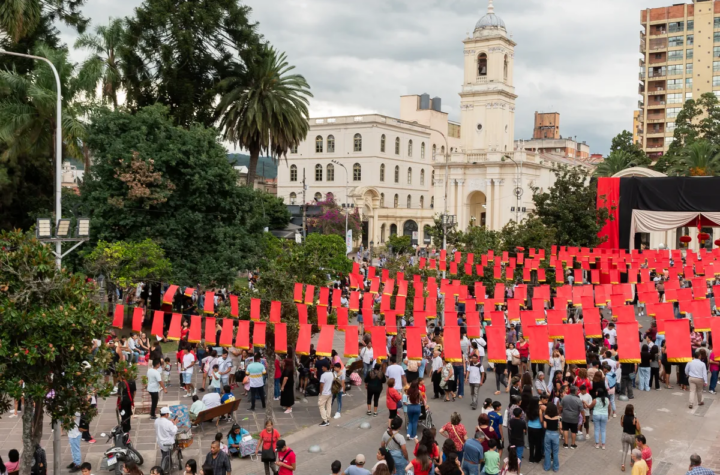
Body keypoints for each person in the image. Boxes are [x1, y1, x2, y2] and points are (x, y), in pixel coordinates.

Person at [620, 405, 641, 472]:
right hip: (632, 437)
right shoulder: (634, 419)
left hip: (625, 435)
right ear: (632, 410)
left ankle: (623, 465)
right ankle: (632, 462)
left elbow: (622, 425)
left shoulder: (623, 417)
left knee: (624, 450)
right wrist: (636, 421)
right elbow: (638, 428)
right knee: (633, 450)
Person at [542, 402, 561, 473]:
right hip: (555, 434)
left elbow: (545, 426)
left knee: (547, 451)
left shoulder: (545, 417)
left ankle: (547, 467)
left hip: (547, 434)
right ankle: (555, 468)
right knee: (555, 452)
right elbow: (560, 427)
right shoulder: (559, 418)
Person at [525, 396, 543, 463]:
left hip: (530, 427)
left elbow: (527, 419)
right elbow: (541, 420)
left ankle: (531, 458)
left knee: (531, 443)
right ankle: (537, 458)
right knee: (538, 443)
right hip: (538, 428)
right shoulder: (539, 410)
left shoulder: (528, 409)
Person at [317, 361, 334, 427]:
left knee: (321, 405)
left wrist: (320, 392)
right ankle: (328, 418)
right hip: (330, 392)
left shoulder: (323, 375)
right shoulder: (331, 374)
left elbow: (321, 385)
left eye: (323, 367)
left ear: (326, 367)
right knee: (329, 405)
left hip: (324, 393)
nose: (322, 368)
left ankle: (325, 420)